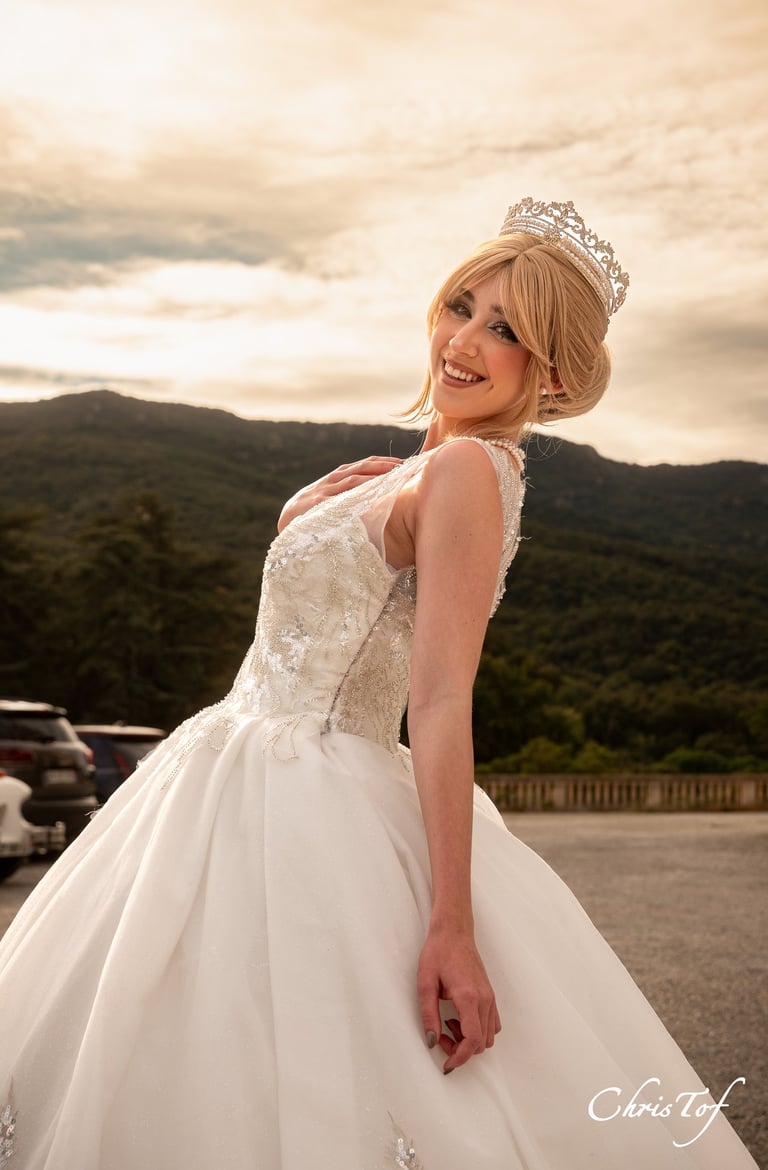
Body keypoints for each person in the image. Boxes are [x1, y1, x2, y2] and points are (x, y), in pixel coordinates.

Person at [0, 199, 758, 1170]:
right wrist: (300, 516)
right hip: (222, 776)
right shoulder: (406, 471)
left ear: (554, 370)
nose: (465, 339)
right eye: (460, 305)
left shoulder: (470, 476)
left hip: (308, 796)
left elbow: (439, 697)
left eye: (507, 330)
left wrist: (452, 926)